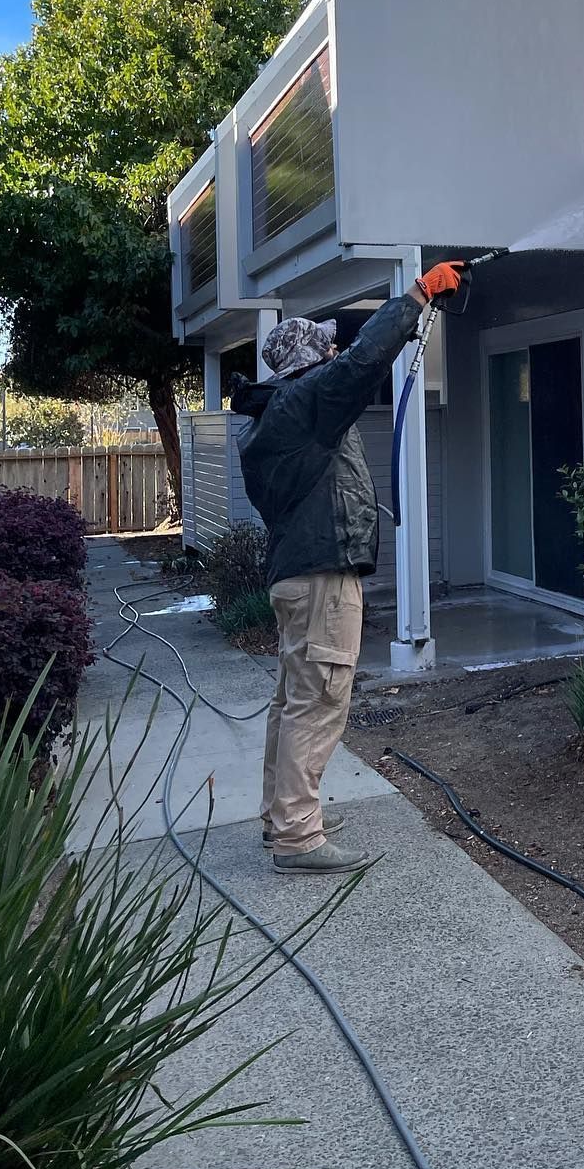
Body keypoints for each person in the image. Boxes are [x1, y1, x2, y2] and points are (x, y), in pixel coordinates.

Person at [229, 261, 465, 874]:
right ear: (311, 362)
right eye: (326, 348)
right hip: (321, 579)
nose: (335, 351)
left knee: (293, 699)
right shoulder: (304, 404)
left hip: (296, 578)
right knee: (319, 700)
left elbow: (350, 367)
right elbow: (361, 362)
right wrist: (417, 295)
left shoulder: (276, 418)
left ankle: (282, 816)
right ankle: (297, 837)